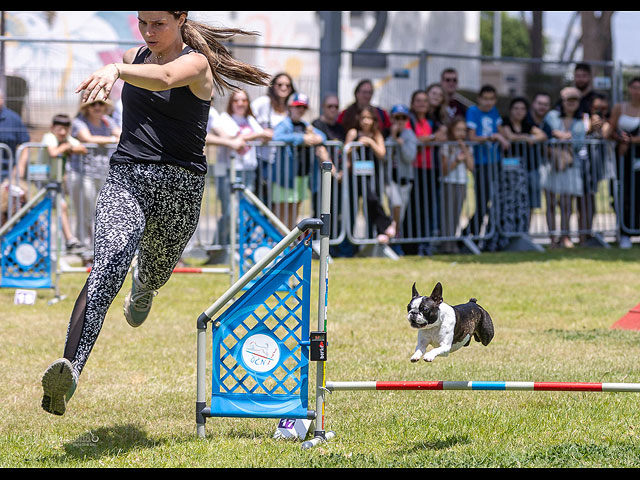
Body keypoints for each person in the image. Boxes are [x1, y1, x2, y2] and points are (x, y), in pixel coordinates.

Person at [41, 11, 270, 417]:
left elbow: (165, 79)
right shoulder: (136, 55)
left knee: (155, 271)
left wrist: (115, 68)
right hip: (127, 176)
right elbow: (140, 71)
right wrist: (121, 67)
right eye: (143, 22)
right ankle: (68, 372)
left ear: (180, 20)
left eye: (158, 23)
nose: (149, 32)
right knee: (107, 265)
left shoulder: (198, 62)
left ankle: (144, 288)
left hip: (180, 188)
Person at [212, 89, 270, 244]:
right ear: (231, 103)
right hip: (229, 171)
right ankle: (222, 247)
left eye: (244, 100)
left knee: (244, 211)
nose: (240, 104)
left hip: (248, 170)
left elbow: (267, 135)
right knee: (230, 211)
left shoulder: (250, 119)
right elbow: (232, 139)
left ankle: (237, 246)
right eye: (237, 100)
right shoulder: (224, 118)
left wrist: (248, 137)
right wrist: (257, 135)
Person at [70, 98, 121, 257]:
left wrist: (112, 139)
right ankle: (85, 249)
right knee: (86, 213)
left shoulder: (108, 121)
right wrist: (112, 140)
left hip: (103, 173)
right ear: (87, 107)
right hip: (83, 174)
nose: (97, 107)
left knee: (101, 212)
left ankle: (97, 249)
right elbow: (87, 138)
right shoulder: (79, 122)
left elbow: (122, 135)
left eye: (100, 104)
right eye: (93, 104)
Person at [271, 92, 328, 230]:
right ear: (290, 107)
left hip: (301, 175)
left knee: (294, 210)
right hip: (285, 176)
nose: (300, 110)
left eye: (303, 107)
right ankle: (277, 242)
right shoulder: (284, 124)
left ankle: (288, 242)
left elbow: (322, 136)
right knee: (280, 211)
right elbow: (276, 137)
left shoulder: (305, 125)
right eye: (297, 107)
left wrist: (317, 138)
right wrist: (301, 139)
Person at [464, 85, 510, 250]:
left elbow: (500, 132)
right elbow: (472, 137)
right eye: (485, 98)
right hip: (481, 163)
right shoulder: (473, 111)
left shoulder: (494, 112)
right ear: (479, 98)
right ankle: (470, 234)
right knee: (482, 203)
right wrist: (493, 137)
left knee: (496, 201)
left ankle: (490, 238)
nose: (488, 102)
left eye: (492, 99)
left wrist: (503, 137)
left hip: (495, 161)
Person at [403, 89, 447, 256]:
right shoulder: (409, 121)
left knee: (429, 209)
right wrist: (433, 137)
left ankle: (425, 243)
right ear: (413, 104)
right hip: (415, 170)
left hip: (431, 170)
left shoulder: (431, 122)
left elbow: (440, 138)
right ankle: (410, 246)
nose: (422, 104)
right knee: (414, 209)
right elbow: (412, 139)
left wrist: (432, 137)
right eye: (418, 100)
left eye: (425, 101)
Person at [541, 86, 586, 249]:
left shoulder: (580, 122)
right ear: (562, 101)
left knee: (567, 204)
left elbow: (579, 144)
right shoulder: (552, 116)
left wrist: (567, 140)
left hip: (570, 166)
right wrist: (557, 135)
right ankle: (552, 237)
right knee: (551, 203)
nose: (571, 103)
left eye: (575, 100)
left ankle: (565, 236)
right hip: (551, 165)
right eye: (569, 100)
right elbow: (545, 133)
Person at [38, 114, 89, 253]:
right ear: (52, 128)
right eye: (59, 129)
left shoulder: (67, 139)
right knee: (46, 211)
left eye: (65, 129)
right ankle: (61, 240)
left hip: (55, 181)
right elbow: (53, 152)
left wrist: (68, 147)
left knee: (62, 207)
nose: (62, 132)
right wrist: (65, 147)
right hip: (42, 181)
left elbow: (83, 149)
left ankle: (69, 240)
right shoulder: (49, 137)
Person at [345, 105, 395, 244]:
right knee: (356, 207)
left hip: (373, 175)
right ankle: (386, 224)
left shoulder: (376, 134)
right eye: (363, 118)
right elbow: (345, 150)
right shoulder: (353, 133)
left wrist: (370, 142)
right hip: (355, 176)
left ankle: (380, 231)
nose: (366, 121)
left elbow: (382, 153)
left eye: (369, 118)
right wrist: (356, 144)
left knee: (373, 200)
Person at [500, 96, 548, 222]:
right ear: (510, 110)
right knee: (512, 200)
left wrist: (530, 138)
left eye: (522, 109)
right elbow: (509, 136)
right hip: (511, 168)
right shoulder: (505, 122)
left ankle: (525, 230)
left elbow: (542, 135)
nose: (519, 111)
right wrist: (526, 137)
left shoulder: (527, 124)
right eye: (516, 108)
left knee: (529, 201)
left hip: (529, 167)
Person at [251, 72, 295, 201]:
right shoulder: (264, 102)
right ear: (273, 86)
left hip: (282, 161)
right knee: (262, 198)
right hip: (263, 159)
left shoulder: (291, 107)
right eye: (280, 84)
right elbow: (248, 118)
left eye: (288, 85)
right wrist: (261, 132)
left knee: (277, 200)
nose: (284, 88)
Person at [608, 76, 640, 249]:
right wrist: (620, 139)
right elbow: (610, 130)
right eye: (634, 87)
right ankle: (625, 232)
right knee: (623, 193)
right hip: (623, 160)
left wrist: (632, 141)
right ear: (629, 89)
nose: (637, 91)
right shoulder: (620, 107)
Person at [385, 104, 418, 252]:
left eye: (403, 118)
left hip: (405, 180)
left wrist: (400, 143)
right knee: (395, 205)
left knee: (400, 214)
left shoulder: (409, 135)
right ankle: (392, 238)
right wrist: (393, 138)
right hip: (390, 180)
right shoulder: (388, 135)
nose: (399, 121)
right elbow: (385, 157)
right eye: (396, 117)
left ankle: (395, 243)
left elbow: (409, 156)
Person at [439, 116, 474, 254]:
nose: (461, 133)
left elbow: (471, 167)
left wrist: (464, 150)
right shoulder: (447, 146)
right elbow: (444, 169)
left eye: (463, 130)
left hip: (462, 182)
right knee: (447, 214)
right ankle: (446, 244)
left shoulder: (467, 147)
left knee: (456, 214)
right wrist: (457, 159)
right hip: (448, 182)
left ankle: (452, 243)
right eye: (458, 129)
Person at [0, 89, 30, 180]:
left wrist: (21, 166)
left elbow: (26, 145)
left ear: (2, 98)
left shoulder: (13, 119)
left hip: (6, 172)